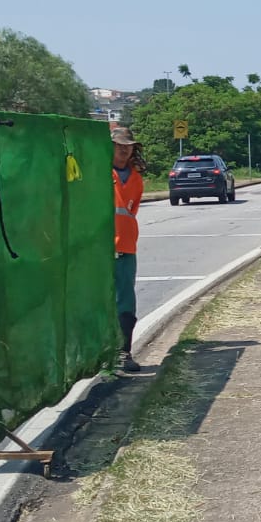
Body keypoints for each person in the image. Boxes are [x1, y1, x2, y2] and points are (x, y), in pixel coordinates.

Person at [111, 126, 144, 372]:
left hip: (125, 247)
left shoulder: (135, 179)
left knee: (125, 302)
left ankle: (123, 352)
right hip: (98, 248)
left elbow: (130, 212)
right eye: (119, 145)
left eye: (128, 146)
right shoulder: (98, 173)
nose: (124, 150)